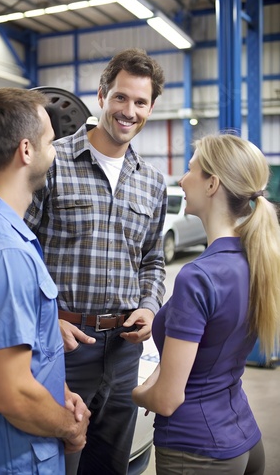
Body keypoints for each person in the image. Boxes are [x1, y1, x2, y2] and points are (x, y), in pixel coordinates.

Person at [25, 48, 167, 474]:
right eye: (121, 98)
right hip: (62, 345)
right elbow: (19, 248)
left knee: (111, 464)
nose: (129, 111)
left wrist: (149, 305)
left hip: (124, 351)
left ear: (151, 107)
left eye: (140, 102)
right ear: (103, 96)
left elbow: (153, 259)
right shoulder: (53, 162)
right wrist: (45, 317)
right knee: (53, 461)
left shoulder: (152, 182)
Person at [0, 87, 91, 474]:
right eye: (50, 141)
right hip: (14, 449)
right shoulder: (5, 254)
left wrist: (58, 393)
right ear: (26, 151)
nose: (56, 150)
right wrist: (70, 428)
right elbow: (13, 395)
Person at [132, 133, 280, 475]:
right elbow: (206, 356)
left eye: (190, 170)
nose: (182, 181)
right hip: (242, 434)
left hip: (196, 450)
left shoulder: (197, 277)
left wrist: (135, 393)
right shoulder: (253, 260)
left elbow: (168, 399)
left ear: (212, 184)